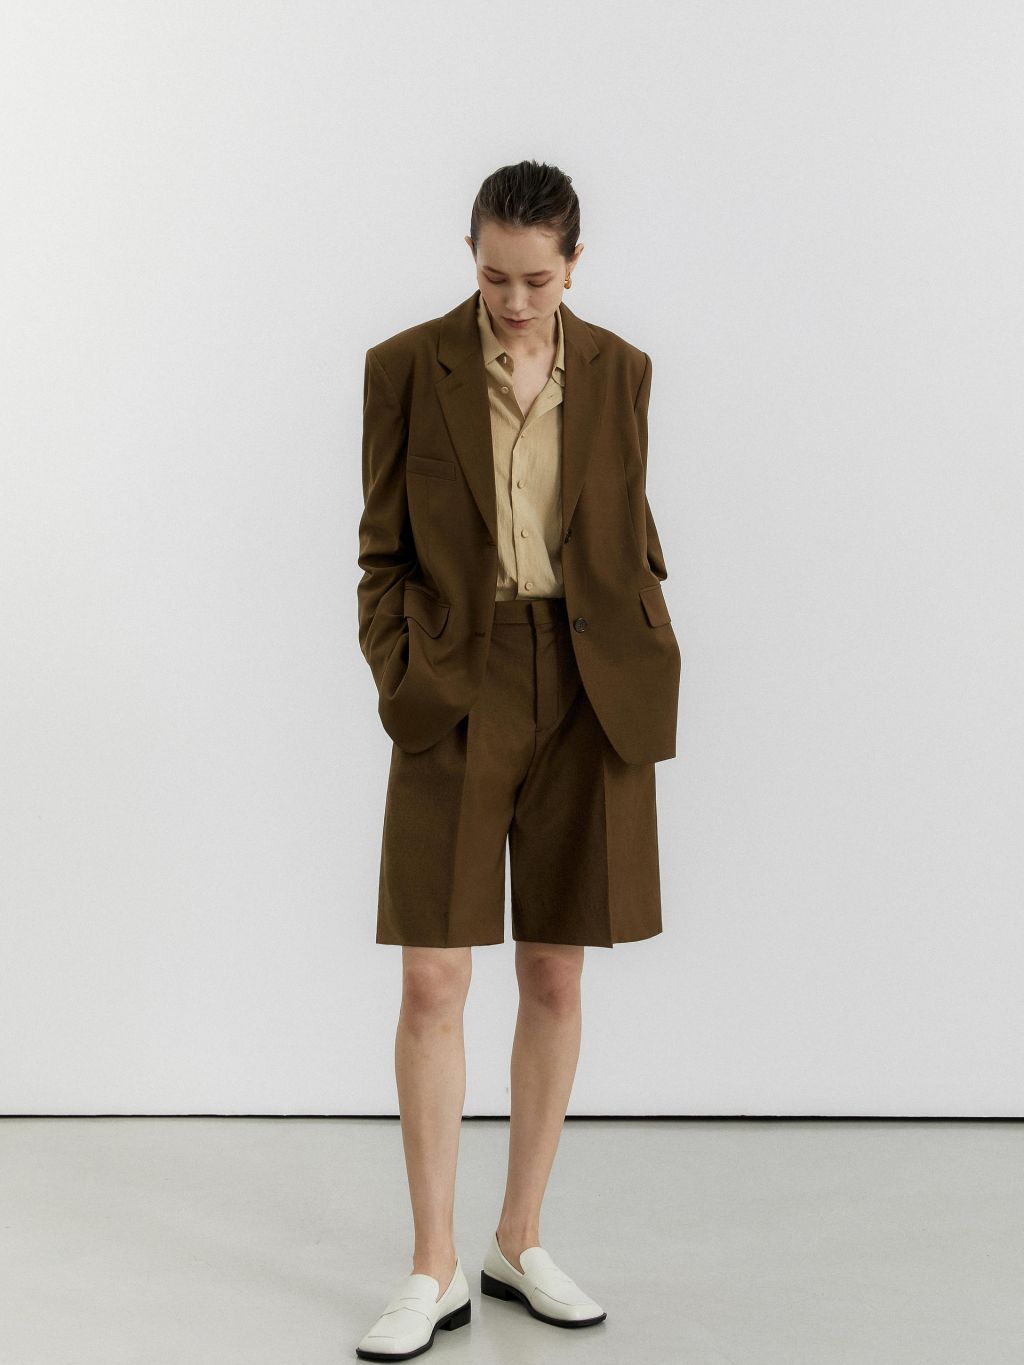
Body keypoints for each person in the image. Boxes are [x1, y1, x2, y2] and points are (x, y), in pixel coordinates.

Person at [354, 159, 681, 1360]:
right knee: (431, 981)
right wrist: (404, 668)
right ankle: (431, 1264)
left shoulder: (622, 372)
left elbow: (629, 532)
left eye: (536, 279)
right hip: (456, 680)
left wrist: (646, 640)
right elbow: (381, 551)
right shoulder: (405, 367)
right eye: (494, 276)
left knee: (554, 975)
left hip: (588, 686)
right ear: (471, 256)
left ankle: (518, 1239)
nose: (513, 300)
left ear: (574, 264)